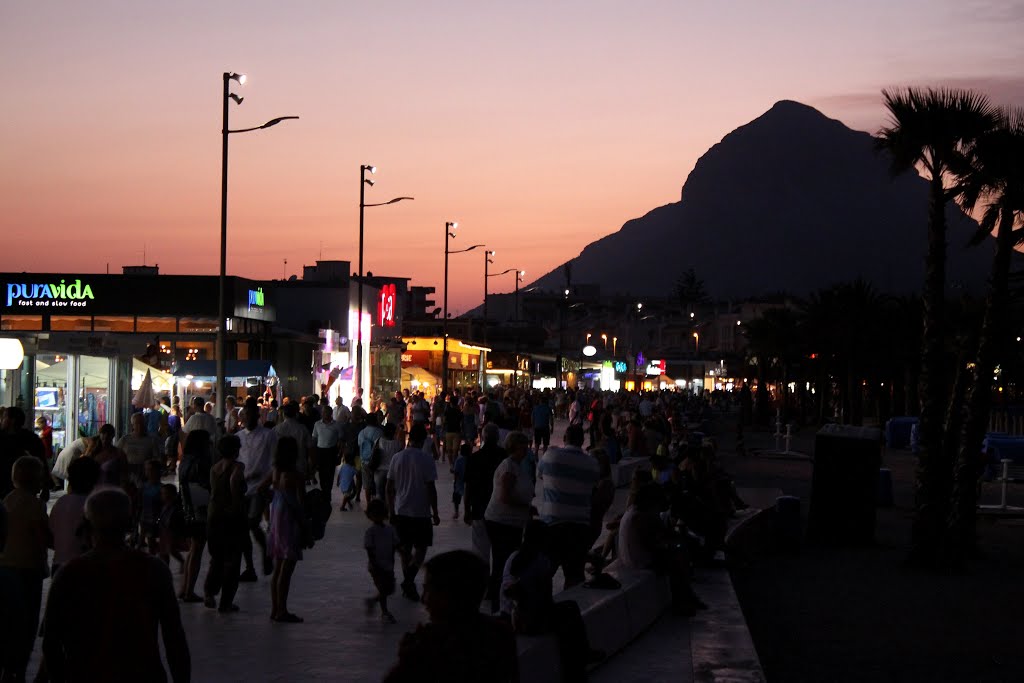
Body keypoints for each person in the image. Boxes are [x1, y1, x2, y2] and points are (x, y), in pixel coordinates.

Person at [41, 487, 191, 683]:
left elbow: (51, 642)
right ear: (129, 523)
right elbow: (174, 638)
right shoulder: (153, 570)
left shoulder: (69, 574)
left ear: (87, 525)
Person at [383, 550, 518, 683]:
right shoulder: (501, 634)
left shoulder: (428, 646)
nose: (424, 599)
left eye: (428, 589)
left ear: (447, 597)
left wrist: (408, 658)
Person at [503, 520, 598, 682]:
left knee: (567, 613)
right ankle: (580, 661)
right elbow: (542, 596)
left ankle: (581, 658)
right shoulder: (540, 560)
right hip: (530, 620)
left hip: (516, 618)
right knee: (569, 616)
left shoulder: (515, 557)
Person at [618, 483, 706, 615]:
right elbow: (653, 544)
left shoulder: (635, 510)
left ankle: (687, 596)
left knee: (678, 551)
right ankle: (682, 600)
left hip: (634, 559)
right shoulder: (642, 515)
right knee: (677, 557)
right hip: (640, 561)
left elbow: (663, 535)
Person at [0, 457, 51, 681]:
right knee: (28, 620)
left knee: (9, 619)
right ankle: (19, 667)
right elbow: (43, 539)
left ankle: (7, 663)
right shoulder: (36, 505)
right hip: (29, 567)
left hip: (6, 565)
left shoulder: (7, 501)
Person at [537, 425, 599, 590]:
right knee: (575, 576)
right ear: (582, 441)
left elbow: (540, 475)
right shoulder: (592, 464)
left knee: (544, 573)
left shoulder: (551, 456)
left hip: (552, 524)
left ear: (565, 438)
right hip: (579, 528)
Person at [385, 423, 440, 601]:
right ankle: (409, 580)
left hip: (401, 509)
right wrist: (436, 511)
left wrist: (391, 510)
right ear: (423, 439)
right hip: (421, 511)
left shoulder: (397, 458)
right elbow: (431, 488)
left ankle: (407, 581)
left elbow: (389, 487)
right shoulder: (426, 459)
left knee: (405, 548)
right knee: (421, 549)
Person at [482, 431, 534, 614]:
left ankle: (503, 602)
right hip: (501, 522)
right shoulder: (509, 467)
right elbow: (505, 496)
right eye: (523, 447)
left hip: (512, 523)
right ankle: (499, 605)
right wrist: (526, 506)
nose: (526, 450)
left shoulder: (518, 466)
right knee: (503, 564)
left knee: (505, 562)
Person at [204, 435, 246, 612]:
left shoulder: (214, 468)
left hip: (214, 514)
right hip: (230, 516)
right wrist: (236, 508)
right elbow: (235, 485)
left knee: (217, 558)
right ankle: (226, 601)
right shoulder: (237, 467)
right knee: (233, 560)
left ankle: (209, 592)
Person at [266, 436, 306, 623]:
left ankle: (275, 608)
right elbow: (300, 502)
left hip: (276, 514)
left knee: (278, 566)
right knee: (287, 568)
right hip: (289, 518)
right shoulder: (295, 474)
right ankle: (282, 609)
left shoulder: (275, 471)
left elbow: (260, 489)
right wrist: (305, 526)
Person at [238, 401, 277, 580]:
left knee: (252, 522)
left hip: (260, 487)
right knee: (244, 529)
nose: (247, 418)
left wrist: (269, 482)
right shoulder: (238, 437)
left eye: (250, 415)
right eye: (244, 415)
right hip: (241, 488)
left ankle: (266, 552)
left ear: (257, 416)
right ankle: (250, 567)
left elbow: (274, 462)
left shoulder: (268, 435)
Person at [48, 456, 101, 576]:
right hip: (84, 566)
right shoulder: (93, 505)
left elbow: (50, 536)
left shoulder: (61, 502)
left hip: (59, 565)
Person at [462, 423, 507, 562]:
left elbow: (468, 486)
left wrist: (466, 510)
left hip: (479, 508)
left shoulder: (474, 458)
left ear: (483, 437)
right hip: (501, 510)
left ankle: (483, 580)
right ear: (498, 437)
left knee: (480, 550)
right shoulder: (505, 457)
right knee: (501, 552)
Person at [178, 429, 212, 602]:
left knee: (193, 549)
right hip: (200, 510)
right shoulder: (200, 463)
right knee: (197, 549)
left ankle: (185, 588)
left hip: (188, 509)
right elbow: (205, 486)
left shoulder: (185, 461)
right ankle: (189, 590)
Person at [363, 498, 400, 624]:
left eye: (379, 513)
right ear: (370, 516)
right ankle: (384, 611)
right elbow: (369, 548)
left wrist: (402, 553)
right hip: (376, 566)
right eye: (374, 514)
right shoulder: (371, 532)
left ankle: (373, 601)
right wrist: (373, 563)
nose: (377, 516)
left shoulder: (390, 529)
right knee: (384, 588)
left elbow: (396, 544)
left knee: (388, 589)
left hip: (388, 564)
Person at [274, 401, 313, 482]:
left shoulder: (276, 429)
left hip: (281, 467)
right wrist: (311, 469)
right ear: (296, 414)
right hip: (300, 466)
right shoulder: (302, 429)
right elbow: (310, 450)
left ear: (283, 415)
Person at [118, 412, 162, 484]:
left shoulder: (151, 440)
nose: (140, 426)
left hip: (145, 474)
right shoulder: (125, 440)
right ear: (133, 425)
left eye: (142, 423)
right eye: (137, 423)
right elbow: (117, 454)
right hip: (128, 473)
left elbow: (156, 458)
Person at [311, 405, 341, 497]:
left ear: (331, 413)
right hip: (320, 451)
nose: (324, 414)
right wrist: (313, 453)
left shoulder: (336, 425)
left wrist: (339, 454)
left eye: (327, 412)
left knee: (330, 473)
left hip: (331, 451)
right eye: (323, 412)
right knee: (321, 473)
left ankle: (328, 491)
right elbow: (314, 438)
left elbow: (340, 440)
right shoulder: (317, 424)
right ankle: (324, 491)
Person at [157, 484, 187, 569]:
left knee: (171, 550)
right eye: (163, 493)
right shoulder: (164, 507)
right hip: (164, 532)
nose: (164, 496)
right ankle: (165, 567)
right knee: (163, 552)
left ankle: (181, 561)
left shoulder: (176, 508)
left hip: (172, 533)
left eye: (166, 493)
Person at [357, 414, 384, 502]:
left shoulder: (361, 432)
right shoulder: (379, 432)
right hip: (376, 461)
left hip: (364, 460)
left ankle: (368, 504)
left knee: (366, 483)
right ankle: (377, 501)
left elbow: (359, 445)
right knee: (377, 482)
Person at [451, 443, 468, 520]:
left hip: (459, 482)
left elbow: (456, 471)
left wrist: (454, 478)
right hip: (468, 482)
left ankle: (456, 512)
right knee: (467, 498)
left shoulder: (459, 460)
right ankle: (467, 512)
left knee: (456, 498)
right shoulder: (470, 459)